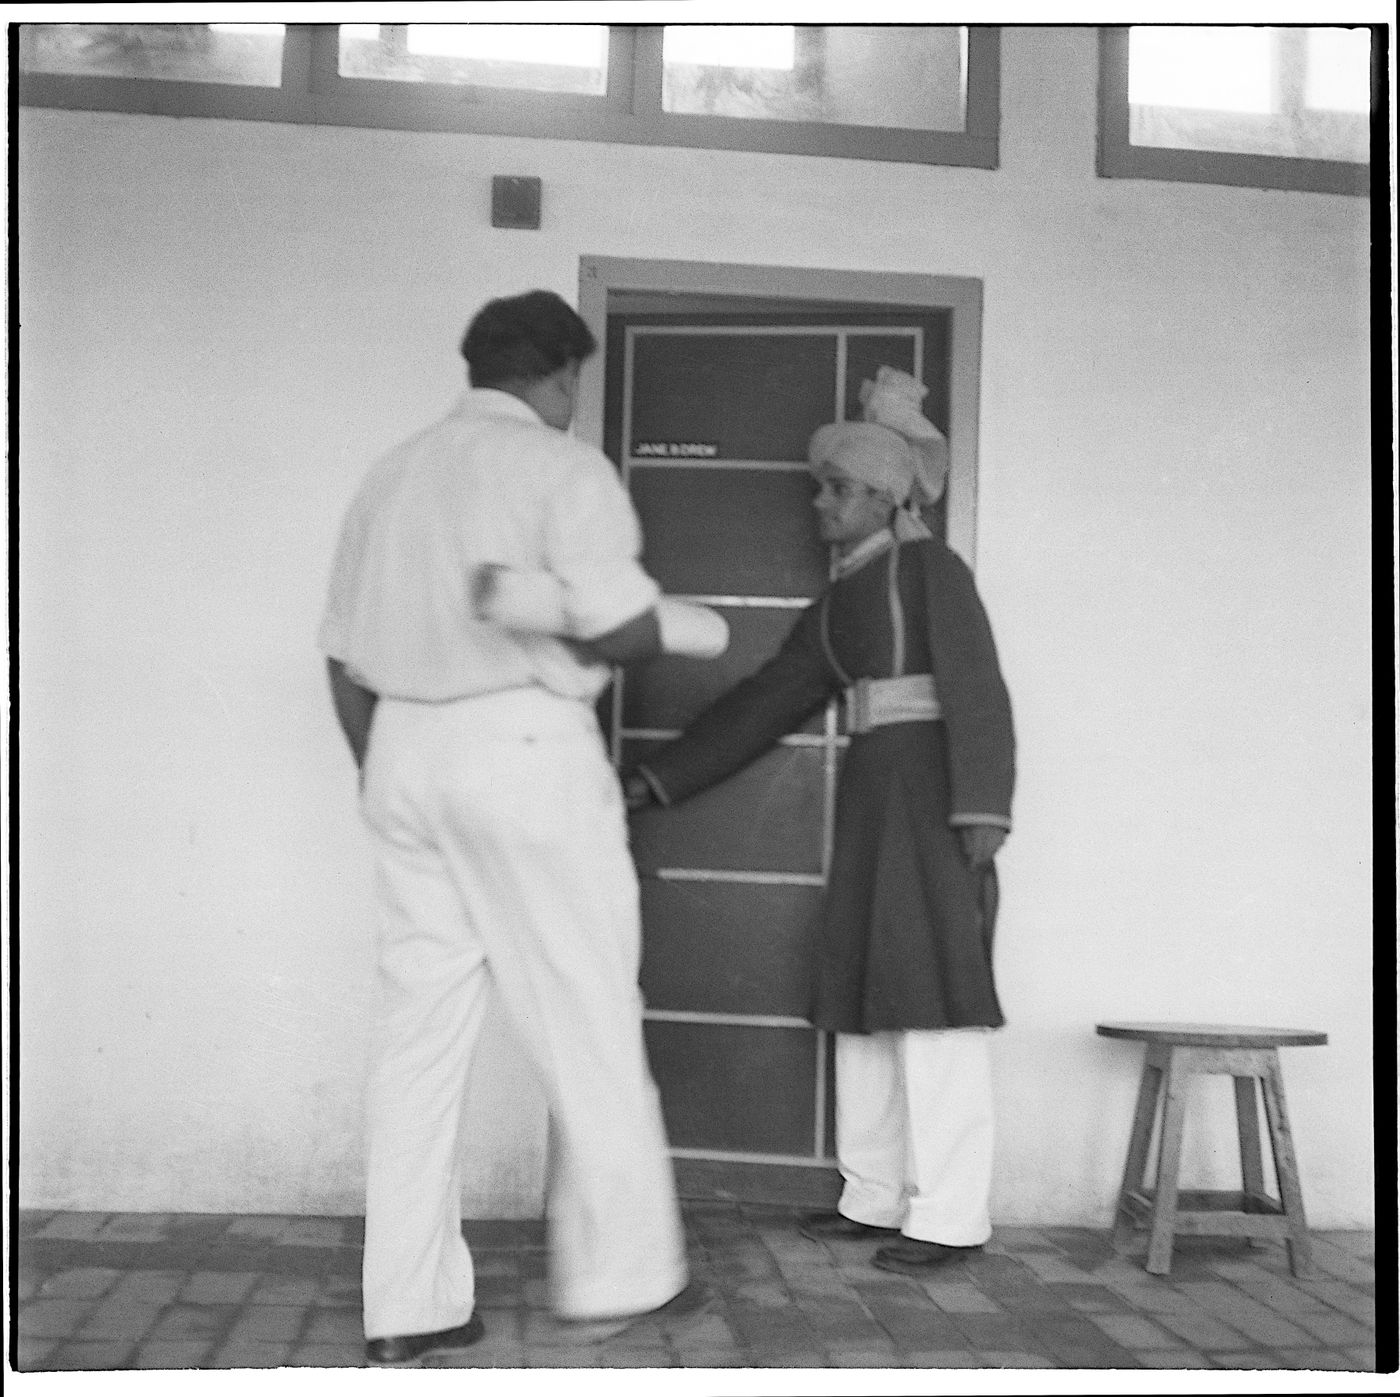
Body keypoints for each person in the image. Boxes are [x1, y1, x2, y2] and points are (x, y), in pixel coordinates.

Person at [318, 290, 718, 1365]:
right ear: (559, 377)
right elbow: (627, 629)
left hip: (400, 748)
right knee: (583, 1010)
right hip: (523, 750)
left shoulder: (389, 474)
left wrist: (390, 772)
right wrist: (665, 625)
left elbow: (338, 655)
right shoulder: (561, 466)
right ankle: (622, 1275)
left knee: (416, 1041)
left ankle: (406, 1303)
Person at [624, 367, 1016, 1276]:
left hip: (935, 801)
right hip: (876, 797)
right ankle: (872, 1195)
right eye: (821, 488)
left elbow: (979, 692)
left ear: (884, 498)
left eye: (838, 490)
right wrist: (657, 777)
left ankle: (952, 1216)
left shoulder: (930, 570)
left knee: (935, 1001)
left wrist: (982, 810)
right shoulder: (842, 602)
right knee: (864, 992)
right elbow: (768, 701)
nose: (820, 504)